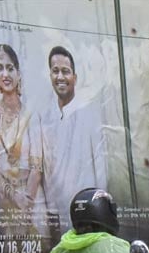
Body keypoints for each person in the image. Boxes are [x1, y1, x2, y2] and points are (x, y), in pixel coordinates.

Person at [0, 44, 47, 253]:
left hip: (33, 198)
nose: (5, 74)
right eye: (0, 68)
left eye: (10, 68)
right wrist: (13, 196)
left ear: (18, 73)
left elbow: (37, 167)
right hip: (6, 199)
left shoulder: (31, 113)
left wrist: (26, 207)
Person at [42, 46, 108, 238]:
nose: (60, 77)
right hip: (61, 212)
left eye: (65, 71)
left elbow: (100, 164)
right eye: (55, 71)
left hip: (89, 211)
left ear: (75, 78)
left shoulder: (89, 112)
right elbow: (48, 169)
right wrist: (52, 211)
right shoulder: (47, 118)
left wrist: (99, 205)